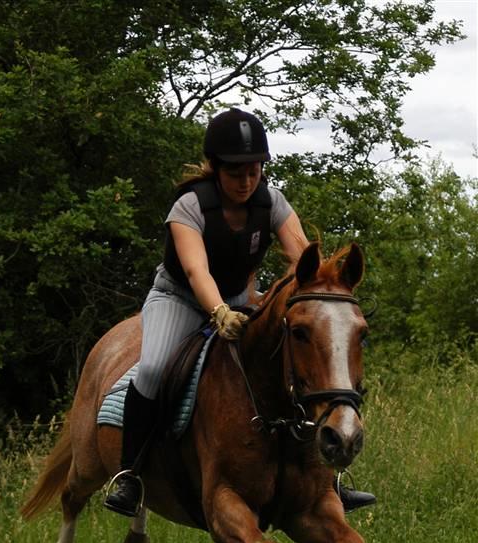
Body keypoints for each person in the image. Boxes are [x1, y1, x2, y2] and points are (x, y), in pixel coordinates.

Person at [103, 107, 375, 518]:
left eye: (254, 171)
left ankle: (328, 479)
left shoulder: (271, 202)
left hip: (242, 298)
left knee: (295, 359)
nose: (246, 181)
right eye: (235, 173)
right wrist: (218, 311)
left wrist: (323, 295)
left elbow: (302, 256)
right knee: (156, 368)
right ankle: (130, 474)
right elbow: (196, 270)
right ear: (215, 169)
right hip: (180, 299)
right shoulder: (189, 207)